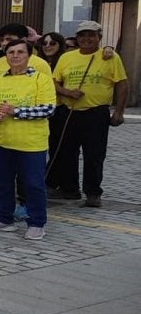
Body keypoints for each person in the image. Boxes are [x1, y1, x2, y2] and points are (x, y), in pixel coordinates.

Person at [0, 39, 57, 240]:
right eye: (11, 52)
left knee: (33, 184)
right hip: (1, 141)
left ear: (29, 55)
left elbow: (47, 108)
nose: (15, 56)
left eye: (20, 52)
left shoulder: (41, 79)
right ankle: (4, 219)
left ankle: (37, 222)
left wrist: (16, 111)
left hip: (31, 143)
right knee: (2, 182)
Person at [52, 20, 129, 208]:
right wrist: (68, 93)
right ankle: (70, 189)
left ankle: (93, 193)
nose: (86, 39)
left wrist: (119, 111)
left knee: (94, 155)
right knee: (66, 153)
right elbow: (53, 82)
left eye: (91, 35)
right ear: (76, 38)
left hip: (96, 113)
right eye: (82, 35)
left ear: (99, 38)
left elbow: (122, 84)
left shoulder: (110, 57)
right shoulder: (66, 58)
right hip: (69, 112)